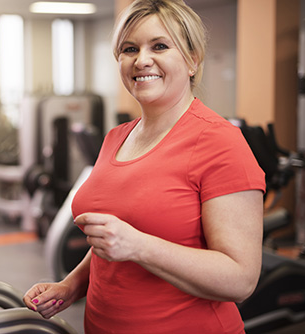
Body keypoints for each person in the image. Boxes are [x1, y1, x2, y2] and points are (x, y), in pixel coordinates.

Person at [23, 0, 266, 333]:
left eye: (160, 46)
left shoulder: (219, 142)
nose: (141, 60)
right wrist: (71, 285)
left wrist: (139, 246)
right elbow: (110, 243)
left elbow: (240, 279)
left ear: (193, 60)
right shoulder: (116, 138)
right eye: (129, 49)